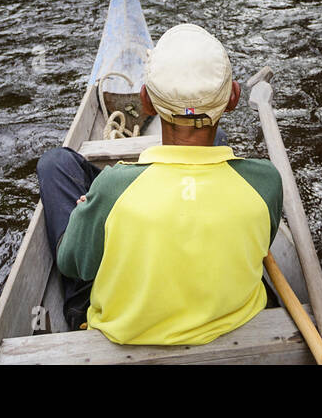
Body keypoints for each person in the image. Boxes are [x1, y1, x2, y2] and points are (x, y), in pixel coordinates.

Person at [35, 23, 283, 345]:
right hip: (230, 320)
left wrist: (86, 213)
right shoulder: (267, 182)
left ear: (146, 102)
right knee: (217, 139)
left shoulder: (113, 187)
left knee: (56, 163)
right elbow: (261, 244)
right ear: (233, 97)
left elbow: (72, 263)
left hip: (125, 329)